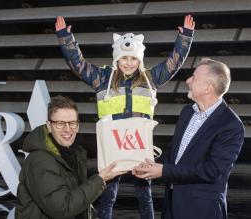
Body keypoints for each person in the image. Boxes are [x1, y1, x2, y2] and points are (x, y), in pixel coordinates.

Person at [55, 15, 195, 219]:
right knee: (108, 195)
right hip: (112, 145)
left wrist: (185, 39)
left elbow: (173, 63)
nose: (129, 63)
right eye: (124, 58)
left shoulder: (151, 79)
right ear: (116, 59)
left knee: (144, 194)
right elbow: (78, 64)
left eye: (133, 58)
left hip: (138, 144)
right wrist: (66, 38)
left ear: (140, 60)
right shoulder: (102, 79)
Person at [132, 58, 245, 219]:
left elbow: (211, 171)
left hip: (201, 210)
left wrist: (163, 171)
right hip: (171, 206)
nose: (188, 80)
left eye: (194, 77)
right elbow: (175, 156)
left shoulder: (231, 125)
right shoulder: (187, 112)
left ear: (208, 88)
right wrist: (149, 163)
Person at [15, 95, 125, 219]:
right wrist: (100, 180)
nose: (67, 129)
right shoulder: (39, 161)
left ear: (78, 126)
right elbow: (62, 208)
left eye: (72, 123)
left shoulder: (74, 155)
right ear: (49, 126)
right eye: (60, 123)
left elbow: (81, 204)